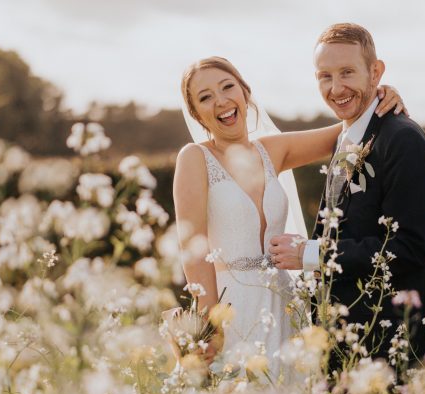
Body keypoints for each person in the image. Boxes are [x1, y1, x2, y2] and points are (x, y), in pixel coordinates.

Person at [173, 56, 406, 377]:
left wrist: (381, 97)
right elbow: (193, 249)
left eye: (228, 87)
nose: (221, 101)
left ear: (244, 92)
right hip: (231, 309)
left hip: (284, 304)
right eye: (205, 97)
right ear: (197, 113)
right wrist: (210, 327)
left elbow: (349, 131)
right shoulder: (195, 158)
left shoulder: (271, 150)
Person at [269, 23, 425, 377]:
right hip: (349, 348)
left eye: (347, 72)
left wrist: (311, 253)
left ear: (376, 72)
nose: (336, 88)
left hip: (390, 351)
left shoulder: (402, 139)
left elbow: (411, 247)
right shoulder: (347, 135)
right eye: (325, 76)